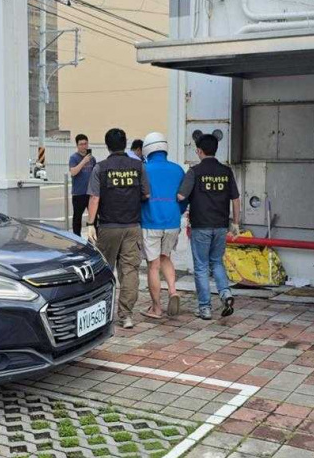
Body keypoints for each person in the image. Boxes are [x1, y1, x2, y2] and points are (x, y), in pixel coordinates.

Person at [87, 128, 150, 329]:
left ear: (107, 145)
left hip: (108, 227)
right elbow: (146, 194)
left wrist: (90, 224)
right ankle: (126, 316)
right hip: (132, 226)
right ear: (126, 143)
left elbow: (95, 198)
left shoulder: (100, 168)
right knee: (130, 271)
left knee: (105, 271)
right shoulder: (138, 166)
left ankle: (102, 315)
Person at [177, 133, 240, 320]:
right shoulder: (226, 171)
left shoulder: (194, 171)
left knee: (202, 266)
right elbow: (235, 199)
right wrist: (235, 223)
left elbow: (181, 196)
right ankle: (225, 293)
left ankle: (204, 307)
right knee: (216, 262)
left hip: (201, 225)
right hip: (221, 226)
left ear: (199, 151)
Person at [139, 132, 186, 320]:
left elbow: (139, 197)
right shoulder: (178, 170)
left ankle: (156, 308)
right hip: (172, 221)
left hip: (151, 221)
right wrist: (177, 212)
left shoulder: (144, 169)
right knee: (166, 257)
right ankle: (173, 291)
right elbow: (184, 198)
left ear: (147, 149)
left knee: (153, 265)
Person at [69, 134, 96, 237]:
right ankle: (77, 239)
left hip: (91, 193)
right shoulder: (74, 158)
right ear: (77, 145)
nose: (84, 146)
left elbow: (95, 173)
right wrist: (83, 161)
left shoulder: (92, 159)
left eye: (85, 144)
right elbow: (73, 172)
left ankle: (93, 239)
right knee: (77, 218)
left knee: (93, 217)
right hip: (79, 193)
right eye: (81, 144)